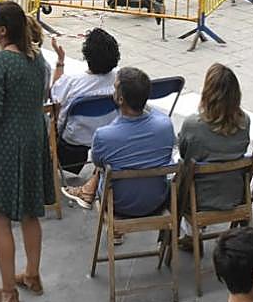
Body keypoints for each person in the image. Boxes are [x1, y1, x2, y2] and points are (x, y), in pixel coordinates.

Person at [0, 1, 53, 302]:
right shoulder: (37, 57)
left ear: (3, 30)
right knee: (31, 211)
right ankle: (32, 274)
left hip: (6, 143)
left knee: (0, 216)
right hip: (33, 138)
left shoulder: (0, 64)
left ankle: (7, 291)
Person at [66, 67, 176, 217]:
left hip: (118, 204)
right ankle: (87, 191)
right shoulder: (165, 125)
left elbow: (98, 164)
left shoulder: (104, 135)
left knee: (106, 163)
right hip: (156, 200)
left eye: (115, 87)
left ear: (120, 99)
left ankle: (87, 192)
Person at [177, 64, 251, 248]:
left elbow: (184, 154)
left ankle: (190, 235)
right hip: (234, 194)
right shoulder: (244, 121)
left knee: (179, 175)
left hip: (198, 198)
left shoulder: (193, 125)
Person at [49, 28, 121, 172]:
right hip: (109, 135)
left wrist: (60, 61)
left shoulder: (72, 82)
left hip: (74, 140)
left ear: (87, 56)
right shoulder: (120, 81)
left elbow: (54, 96)